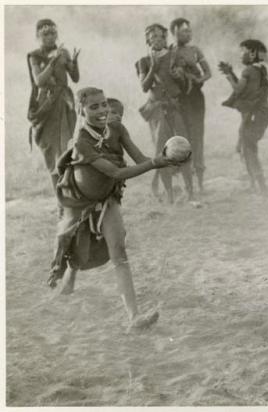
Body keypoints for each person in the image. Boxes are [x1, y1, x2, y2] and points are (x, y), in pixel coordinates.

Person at [49, 87, 189, 331]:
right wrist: (156, 163)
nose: (102, 110)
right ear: (81, 111)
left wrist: (163, 160)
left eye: (104, 104)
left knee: (119, 253)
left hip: (107, 198)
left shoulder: (117, 130)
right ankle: (68, 281)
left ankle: (134, 317)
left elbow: (140, 158)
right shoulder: (82, 142)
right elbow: (116, 172)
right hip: (77, 199)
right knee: (72, 242)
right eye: (94, 107)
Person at [135, 23, 194, 205]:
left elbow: (185, 86)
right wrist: (152, 68)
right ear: (147, 40)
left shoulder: (174, 58)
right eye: (153, 37)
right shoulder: (143, 62)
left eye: (161, 37)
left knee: (182, 147)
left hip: (175, 107)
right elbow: (144, 87)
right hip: (157, 111)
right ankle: (169, 194)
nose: (158, 40)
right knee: (162, 152)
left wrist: (180, 76)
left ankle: (189, 191)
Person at [27, 19, 80, 203]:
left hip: (65, 106)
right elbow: (39, 81)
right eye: (45, 34)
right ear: (38, 36)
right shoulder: (35, 56)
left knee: (68, 150)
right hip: (47, 108)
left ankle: (72, 197)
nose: (49, 37)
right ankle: (61, 201)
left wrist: (74, 63)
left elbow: (75, 78)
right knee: (52, 154)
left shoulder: (63, 51)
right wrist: (53, 61)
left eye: (52, 33)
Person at [220, 39, 268, 195]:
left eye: (242, 51)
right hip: (262, 113)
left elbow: (238, 90)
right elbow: (246, 90)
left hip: (253, 114)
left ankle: (261, 187)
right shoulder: (261, 69)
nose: (240, 55)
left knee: (248, 148)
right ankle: (255, 184)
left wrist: (229, 75)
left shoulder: (249, 71)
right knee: (248, 146)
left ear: (252, 53)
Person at [170, 18, 211, 195]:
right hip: (179, 99)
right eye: (184, 31)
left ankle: (200, 183)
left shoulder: (195, 50)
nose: (188, 34)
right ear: (174, 32)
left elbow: (208, 72)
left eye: (189, 30)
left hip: (195, 98)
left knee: (197, 137)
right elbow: (168, 74)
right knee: (181, 139)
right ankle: (188, 186)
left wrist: (196, 80)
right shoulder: (170, 52)